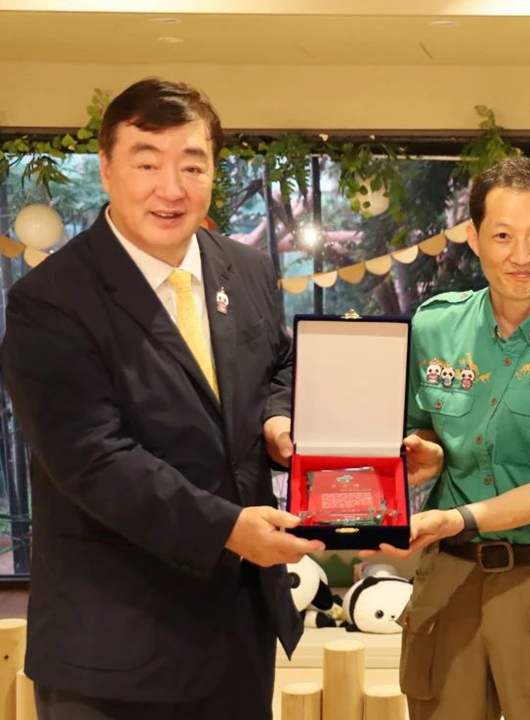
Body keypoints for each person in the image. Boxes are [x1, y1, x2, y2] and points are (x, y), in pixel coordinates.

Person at [0, 78, 324, 720]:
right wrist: (230, 529)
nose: (170, 188)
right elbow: (92, 459)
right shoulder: (51, 300)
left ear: (213, 172)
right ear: (107, 169)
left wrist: (277, 418)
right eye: (147, 163)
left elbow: (279, 364)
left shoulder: (248, 270)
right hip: (114, 653)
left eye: (192, 165)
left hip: (237, 635)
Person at [367, 157, 530, 720]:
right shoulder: (436, 326)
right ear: (473, 238)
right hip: (448, 582)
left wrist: (455, 518)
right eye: (503, 236)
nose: (521, 255)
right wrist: (424, 453)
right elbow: (423, 427)